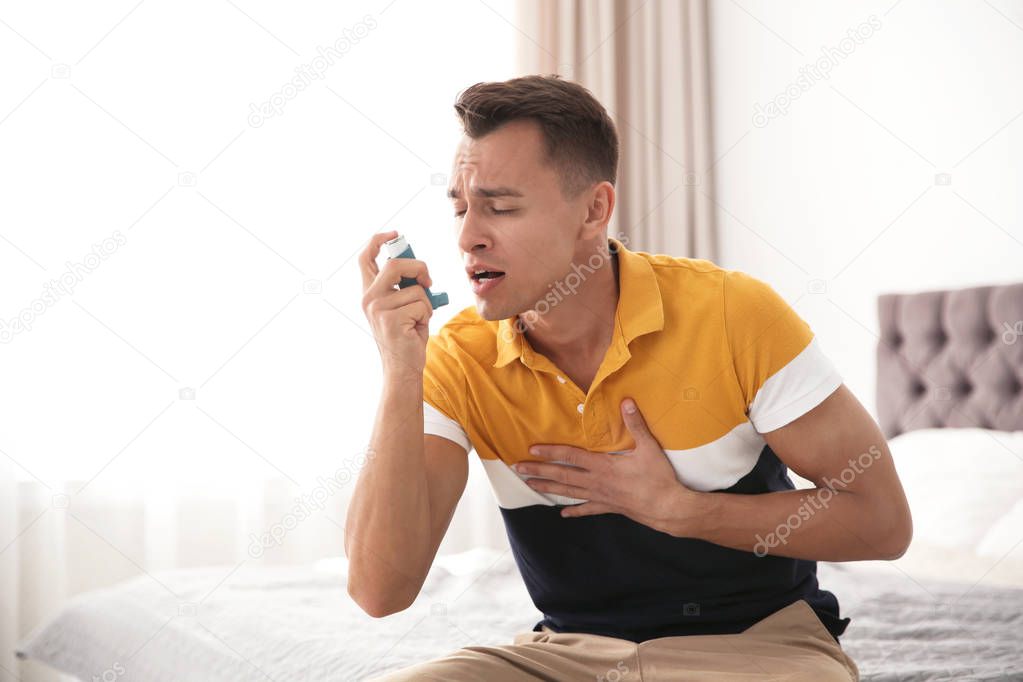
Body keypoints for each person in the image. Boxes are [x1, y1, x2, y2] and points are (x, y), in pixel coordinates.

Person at [347, 74, 912, 681]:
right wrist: (400, 373)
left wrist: (684, 511)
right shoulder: (459, 357)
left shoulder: (732, 314)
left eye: (500, 206)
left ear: (595, 210)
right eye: (460, 207)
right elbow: (380, 591)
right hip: (569, 654)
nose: (467, 237)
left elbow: (882, 523)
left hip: (760, 648)